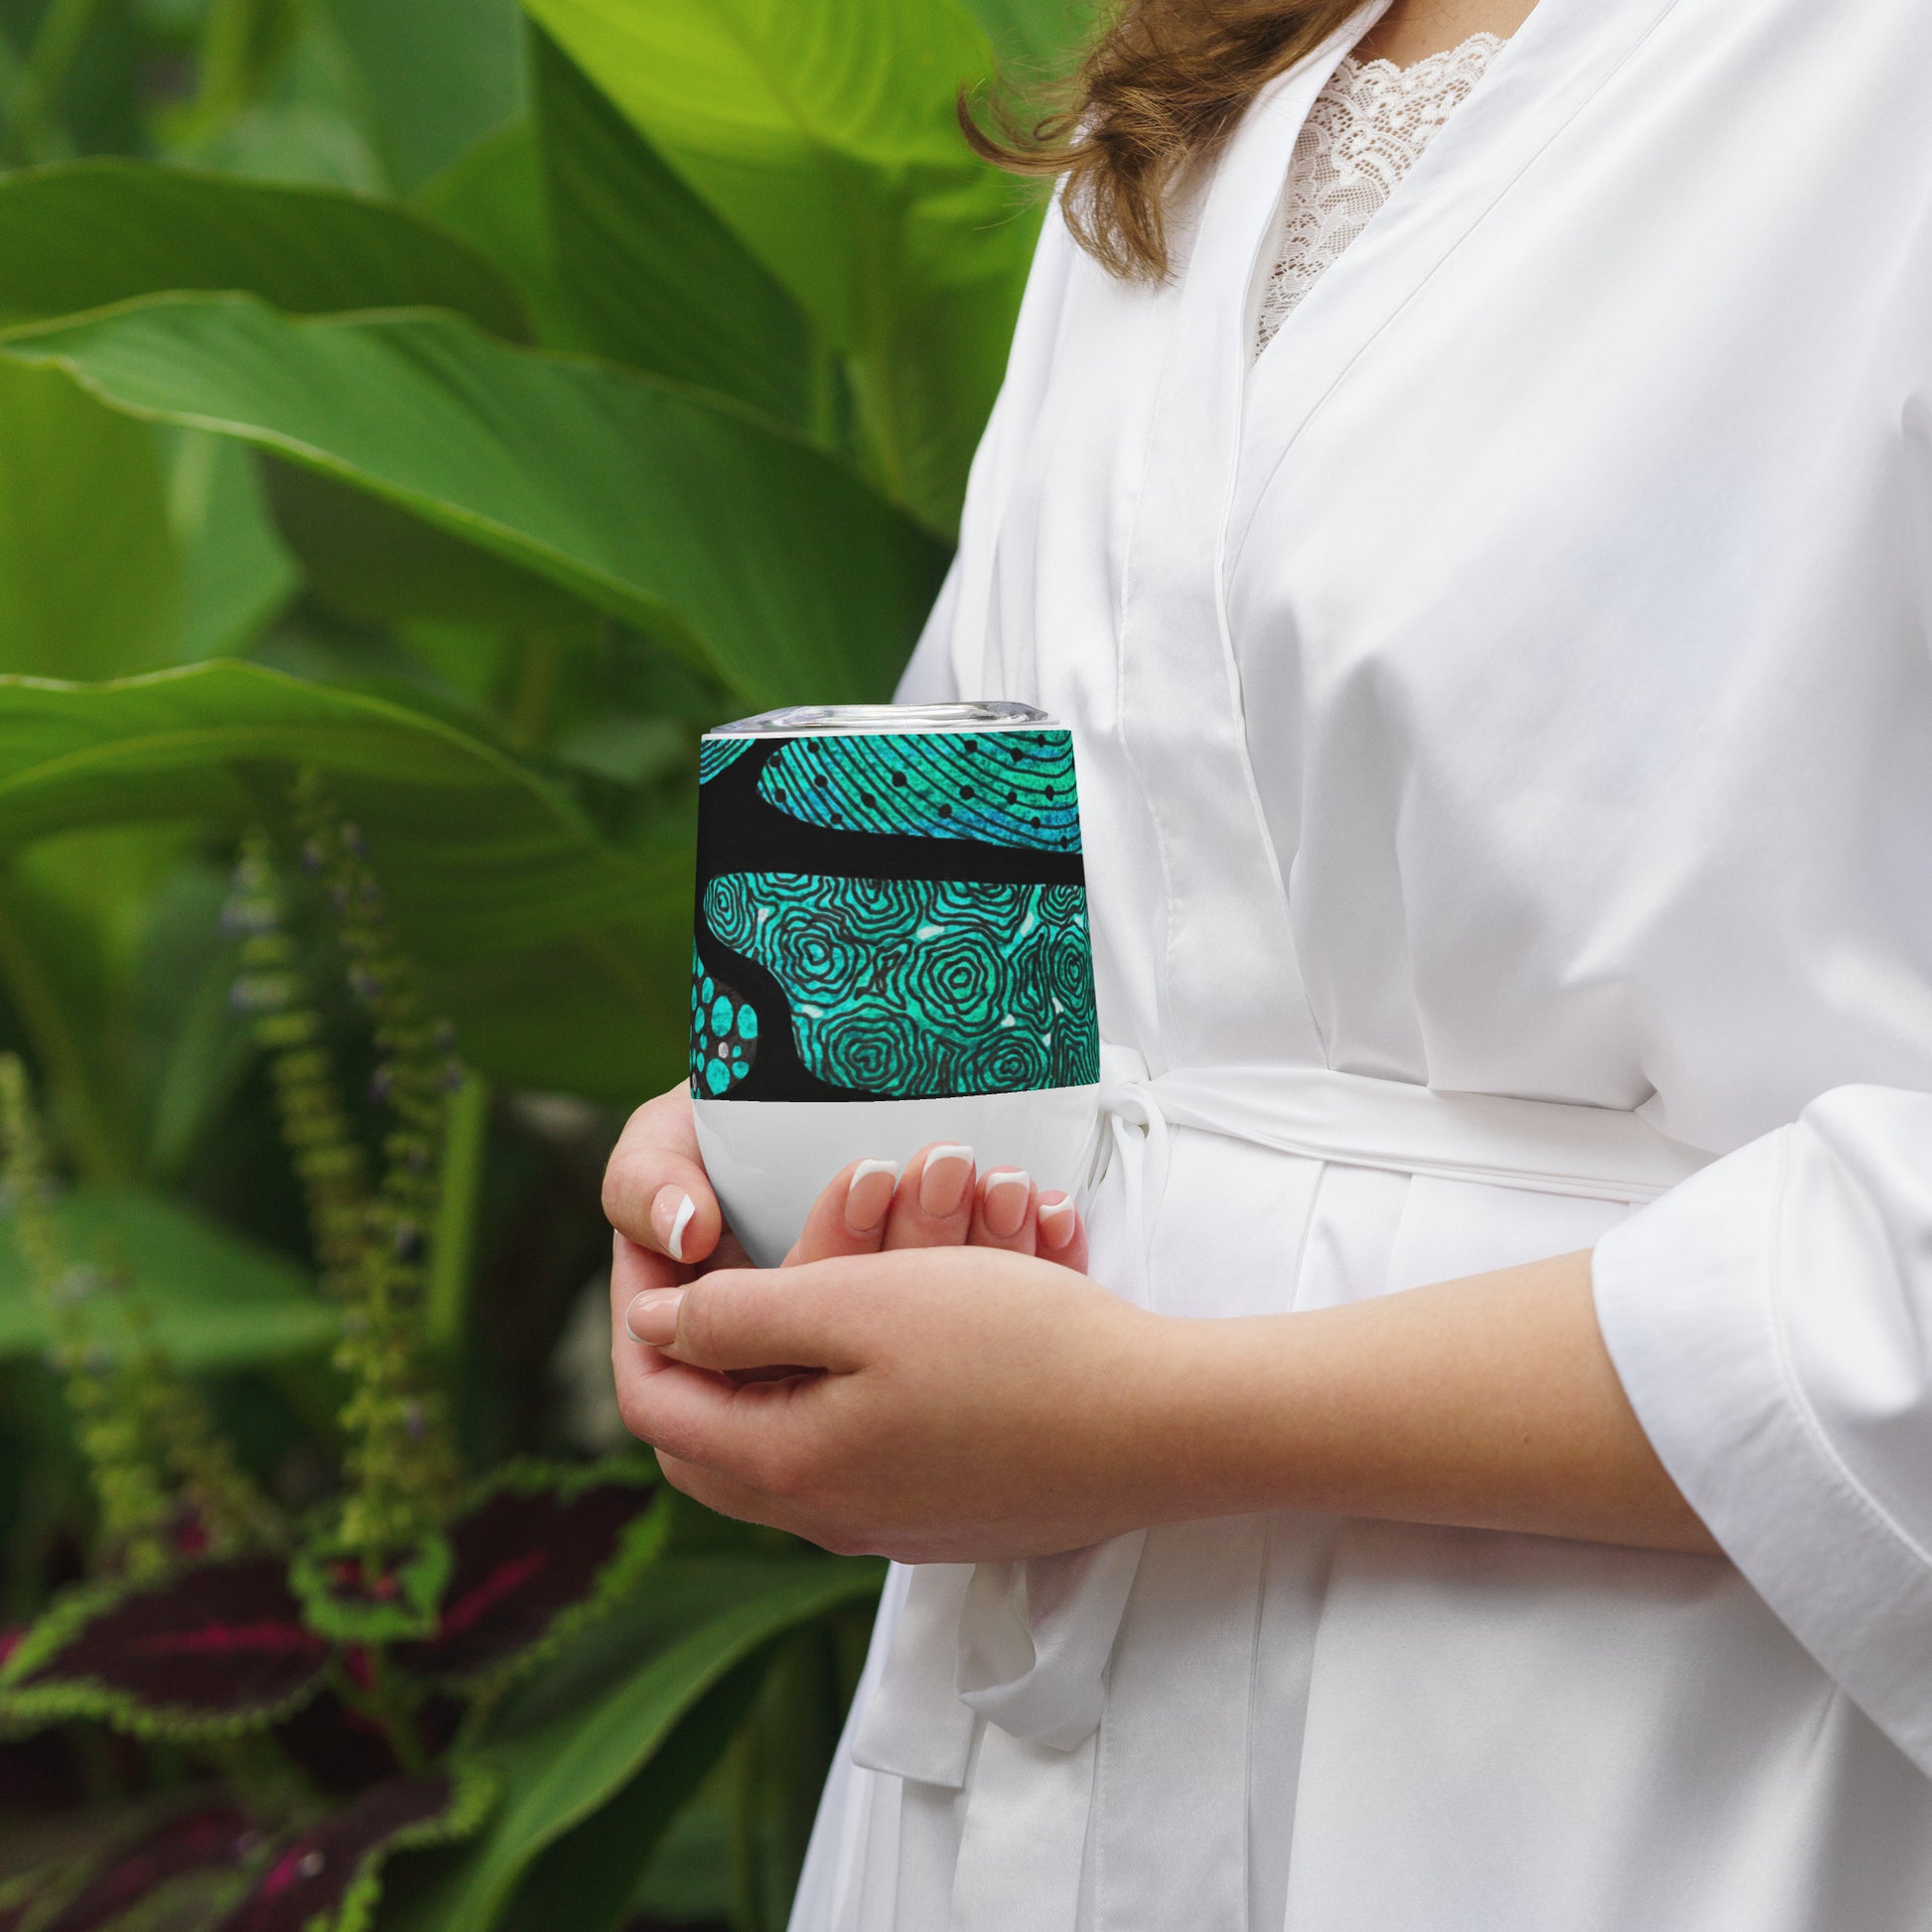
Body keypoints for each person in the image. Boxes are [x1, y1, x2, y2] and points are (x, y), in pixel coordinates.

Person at [602, 0, 1932, 1924]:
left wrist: (1154, 1417)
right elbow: (1028, 825)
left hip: (1647, 1760)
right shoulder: (1209, 71)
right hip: (1036, 1760)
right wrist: (767, 1157)